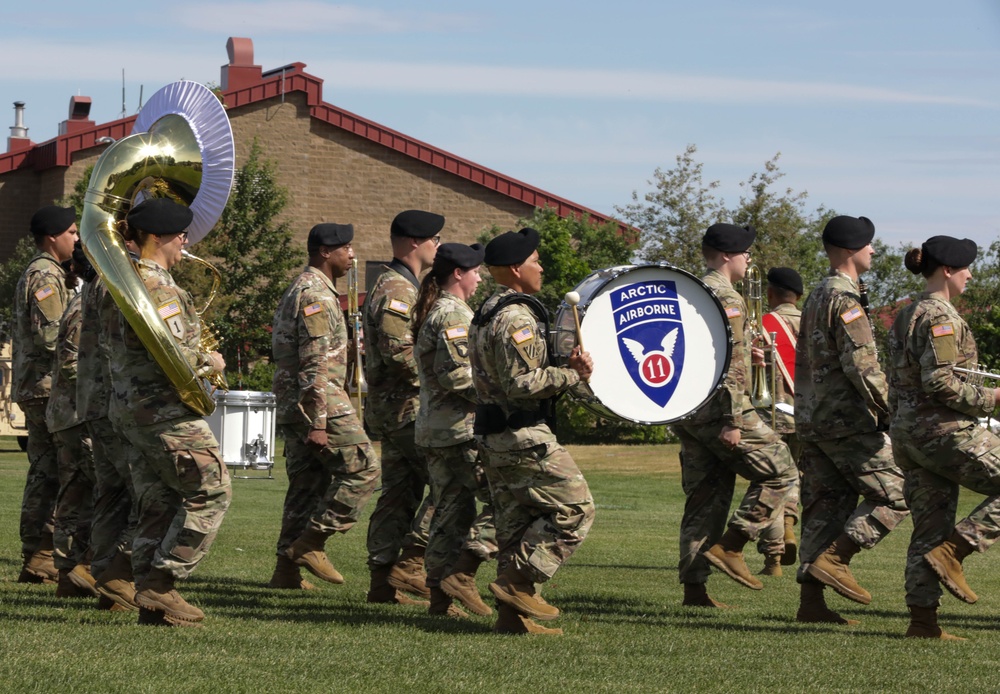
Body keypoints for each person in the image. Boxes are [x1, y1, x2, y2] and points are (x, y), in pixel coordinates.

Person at [108, 198, 231, 626]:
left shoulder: (120, 281)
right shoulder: (161, 288)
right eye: (181, 235)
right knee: (212, 490)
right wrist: (210, 363)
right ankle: (163, 581)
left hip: (130, 410)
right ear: (158, 237)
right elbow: (173, 355)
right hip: (164, 412)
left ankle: (150, 600)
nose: (185, 243)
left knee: (158, 502)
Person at [469, 227, 595, 635]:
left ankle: (512, 619)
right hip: (522, 435)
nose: (541, 266)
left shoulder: (486, 310)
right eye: (536, 260)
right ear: (514, 268)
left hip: (494, 436)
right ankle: (518, 582)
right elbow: (520, 383)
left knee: (514, 525)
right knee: (576, 508)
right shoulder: (516, 318)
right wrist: (572, 374)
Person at [672, 224, 797, 608]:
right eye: (745, 252)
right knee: (783, 470)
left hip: (689, 409)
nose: (748, 259)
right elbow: (730, 367)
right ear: (727, 256)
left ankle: (695, 590)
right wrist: (731, 420)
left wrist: (748, 355)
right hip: (724, 409)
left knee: (705, 500)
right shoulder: (729, 298)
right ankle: (734, 543)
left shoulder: (690, 291)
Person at [794, 215, 909, 625]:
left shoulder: (816, 295)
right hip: (848, 422)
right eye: (868, 244)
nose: (874, 250)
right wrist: (895, 413)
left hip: (815, 421)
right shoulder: (845, 300)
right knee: (901, 490)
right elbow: (863, 367)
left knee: (824, 507)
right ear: (849, 251)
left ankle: (811, 605)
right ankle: (837, 558)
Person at [888, 236, 999, 640]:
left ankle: (922, 622)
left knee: (929, 527)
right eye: (966, 267)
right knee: (939, 539)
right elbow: (940, 382)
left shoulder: (906, 314)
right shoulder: (941, 317)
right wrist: (993, 397)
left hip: (909, 436)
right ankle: (956, 551)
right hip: (943, 432)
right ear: (948, 271)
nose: (971, 274)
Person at [270, 223, 380, 590]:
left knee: (307, 484)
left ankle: (286, 569)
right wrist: (318, 421)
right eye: (345, 248)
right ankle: (312, 543)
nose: (351, 254)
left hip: (299, 399)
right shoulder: (314, 293)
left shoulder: (307, 288)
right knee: (364, 467)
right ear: (323, 252)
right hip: (316, 398)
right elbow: (314, 362)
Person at [412, 242, 497, 618]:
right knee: (505, 499)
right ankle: (464, 571)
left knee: (449, 514)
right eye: (476, 271)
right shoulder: (453, 315)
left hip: (439, 430)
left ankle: (439, 600)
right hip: (459, 431)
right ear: (459, 274)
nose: (480, 278)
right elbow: (457, 375)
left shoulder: (443, 310)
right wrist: (501, 392)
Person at [363, 209, 443, 605]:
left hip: (395, 409)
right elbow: (398, 352)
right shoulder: (398, 289)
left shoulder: (398, 283)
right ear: (415, 243)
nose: (438, 246)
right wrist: (439, 377)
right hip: (406, 408)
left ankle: (383, 582)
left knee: (399, 494)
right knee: (451, 481)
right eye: (435, 240)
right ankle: (411, 564)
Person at [13, 205, 78, 584]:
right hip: (48, 388)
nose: (76, 238)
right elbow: (52, 335)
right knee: (54, 472)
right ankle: (40, 553)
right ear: (52, 237)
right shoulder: (45, 276)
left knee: (45, 471)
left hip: (41, 387)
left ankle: (37, 556)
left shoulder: (50, 272)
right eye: (71, 231)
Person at [80, 236, 141, 611]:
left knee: (111, 494)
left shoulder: (100, 275)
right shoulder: (120, 275)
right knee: (141, 491)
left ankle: (102, 578)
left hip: (95, 400)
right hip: (117, 399)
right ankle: (118, 576)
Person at [46, 243, 98, 598]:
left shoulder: (88, 301)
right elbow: (71, 363)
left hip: (76, 413)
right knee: (81, 493)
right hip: (78, 415)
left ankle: (71, 573)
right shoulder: (85, 306)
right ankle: (73, 569)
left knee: (80, 494)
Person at [755, 267, 804, 576]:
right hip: (806, 415)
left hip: (771, 413)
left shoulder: (760, 325)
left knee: (769, 480)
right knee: (795, 474)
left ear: (770, 294)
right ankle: (788, 523)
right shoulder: (813, 323)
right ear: (798, 296)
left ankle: (773, 558)